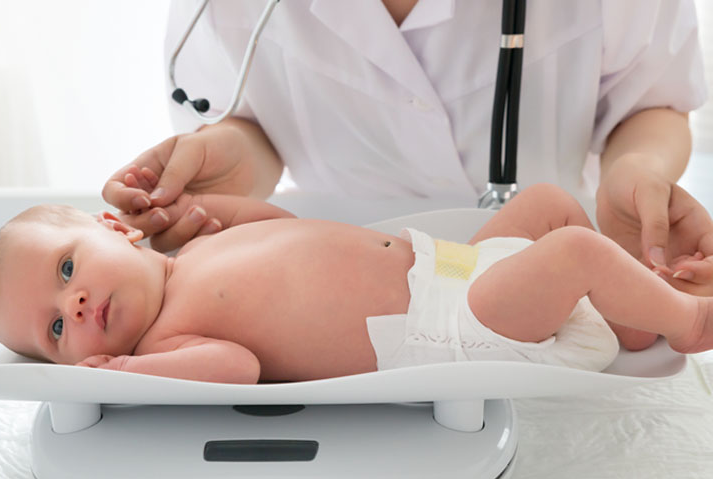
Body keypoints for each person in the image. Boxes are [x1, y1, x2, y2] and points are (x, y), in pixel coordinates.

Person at [102, 0, 710, 293]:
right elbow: (252, 117)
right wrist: (233, 154)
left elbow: (651, 102)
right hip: (335, 282)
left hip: (551, 267)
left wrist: (638, 170)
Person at [0, 183, 713, 384]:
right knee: (576, 249)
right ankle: (683, 320)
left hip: (448, 263)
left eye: (66, 268)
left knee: (548, 204)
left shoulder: (202, 250)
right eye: (56, 331)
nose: (72, 304)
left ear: (115, 228)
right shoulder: (171, 337)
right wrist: (134, 369)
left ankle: (625, 319)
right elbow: (239, 367)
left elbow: (285, 225)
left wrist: (205, 212)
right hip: (451, 324)